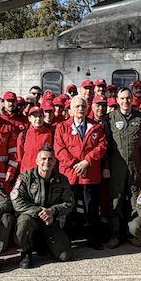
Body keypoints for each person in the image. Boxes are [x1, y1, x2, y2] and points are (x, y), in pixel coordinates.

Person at [54, 96, 107, 249]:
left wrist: (87, 161)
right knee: (67, 209)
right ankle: (65, 240)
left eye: (83, 106)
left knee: (91, 208)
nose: (80, 109)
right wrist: (76, 164)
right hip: (70, 175)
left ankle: (93, 239)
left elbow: (102, 146)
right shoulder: (62, 127)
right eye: (77, 106)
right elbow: (59, 149)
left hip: (90, 174)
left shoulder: (96, 127)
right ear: (70, 110)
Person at [12, 147, 75, 266]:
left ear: (55, 161)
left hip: (50, 221)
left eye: (50, 159)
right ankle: (26, 252)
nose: (47, 161)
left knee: (65, 255)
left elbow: (69, 203)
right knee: (23, 222)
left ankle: (43, 243)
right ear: (36, 161)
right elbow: (17, 202)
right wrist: (39, 212)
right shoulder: (25, 178)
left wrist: (53, 211)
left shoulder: (62, 180)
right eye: (43, 158)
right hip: (31, 219)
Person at [103, 88, 141, 248]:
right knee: (116, 200)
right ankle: (116, 234)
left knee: (135, 201)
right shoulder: (110, 118)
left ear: (132, 100)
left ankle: (133, 233)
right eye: (122, 98)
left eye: (128, 98)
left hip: (136, 166)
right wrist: (106, 166)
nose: (125, 101)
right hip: (116, 167)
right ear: (117, 100)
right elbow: (106, 145)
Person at [16, 104, 55, 173]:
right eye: (35, 116)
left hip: (45, 174)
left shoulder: (50, 134)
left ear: (43, 118)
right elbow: (20, 157)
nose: (38, 119)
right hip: (27, 173)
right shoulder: (23, 135)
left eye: (40, 116)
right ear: (29, 118)